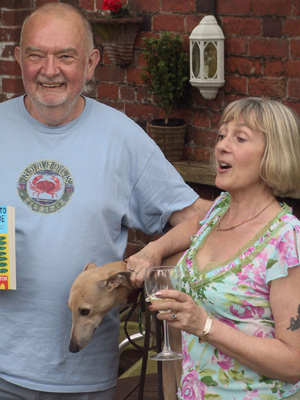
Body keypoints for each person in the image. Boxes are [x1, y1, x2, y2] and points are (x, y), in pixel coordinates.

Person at [0, 3, 211, 399]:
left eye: (65, 56)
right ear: (18, 58)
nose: (49, 69)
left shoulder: (122, 138)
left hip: (85, 380)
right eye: (35, 55)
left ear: (92, 62)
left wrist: (154, 253)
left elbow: (201, 218)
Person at [128, 97, 300, 399]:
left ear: (273, 154)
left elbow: (294, 362)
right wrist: (154, 250)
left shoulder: (287, 239)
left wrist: (203, 324)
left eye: (240, 138)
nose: (221, 145)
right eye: (221, 135)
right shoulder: (218, 212)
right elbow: (193, 225)